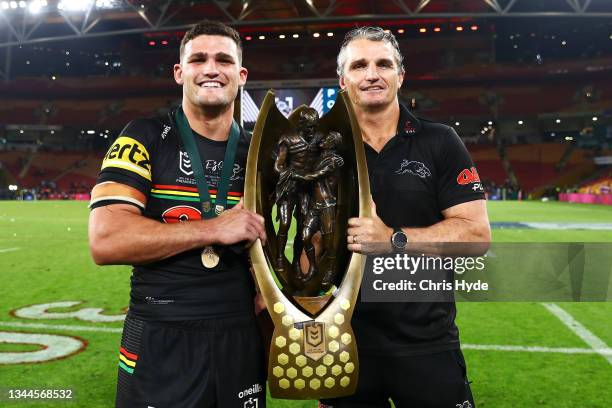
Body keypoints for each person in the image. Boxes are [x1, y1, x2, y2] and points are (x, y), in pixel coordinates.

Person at [88, 20, 268, 408]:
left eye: (223, 59)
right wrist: (213, 229)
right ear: (179, 71)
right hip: (159, 334)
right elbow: (106, 240)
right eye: (198, 58)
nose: (210, 68)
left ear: (240, 75)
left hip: (240, 334)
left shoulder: (259, 154)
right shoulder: (144, 136)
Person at [320, 27, 491, 407]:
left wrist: (394, 239)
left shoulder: (440, 141)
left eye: (384, 64)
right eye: (359, 65)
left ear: (401, 75)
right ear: (343, 80)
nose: (372, 74)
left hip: (427, 342)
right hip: (345, 340)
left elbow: (477, 235)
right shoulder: (321, 153)